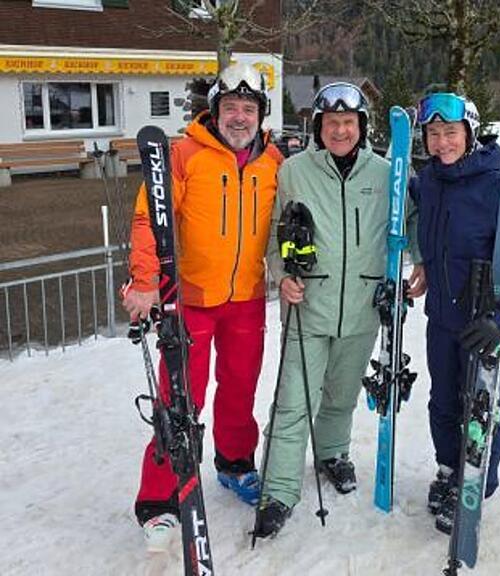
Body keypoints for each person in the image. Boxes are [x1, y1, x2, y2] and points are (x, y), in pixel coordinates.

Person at [253, 82, 426, 538]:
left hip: (364, 308)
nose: (340, 131)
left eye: (349, 122)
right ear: (319, 127)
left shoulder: (386, 173)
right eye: (332, 123)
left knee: (342, 395)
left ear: (362, 127)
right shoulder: (294, 171)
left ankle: (332, 452)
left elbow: (411, 220)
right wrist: (281, 274)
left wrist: (422, 260)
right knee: (293, 402)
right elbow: (274, 232)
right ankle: (278, 491)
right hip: (308, 305)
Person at [122, 62, 283, 547]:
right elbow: (148, 218)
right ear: (214, 110)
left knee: (240, 389)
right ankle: (159, 497)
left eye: (249, 108)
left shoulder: (274, 162)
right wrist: (145, 280)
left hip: (246, 298)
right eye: (230, 106)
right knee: (179, 398)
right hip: (189, 299)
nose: (239, 117)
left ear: (261, 114)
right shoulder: (184, 155)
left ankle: (234, 463)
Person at [409, 92, 500, 534]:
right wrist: (421, 260)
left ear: (470, 134)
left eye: (450, 132)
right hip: (441, 319)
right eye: (433, 133)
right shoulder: (429, 181)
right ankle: (449, 470)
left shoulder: (498, 183)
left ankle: (475, 482)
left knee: (483, 409)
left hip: (486, 322)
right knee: (442, 403)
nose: (441, 142)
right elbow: (416, 218)